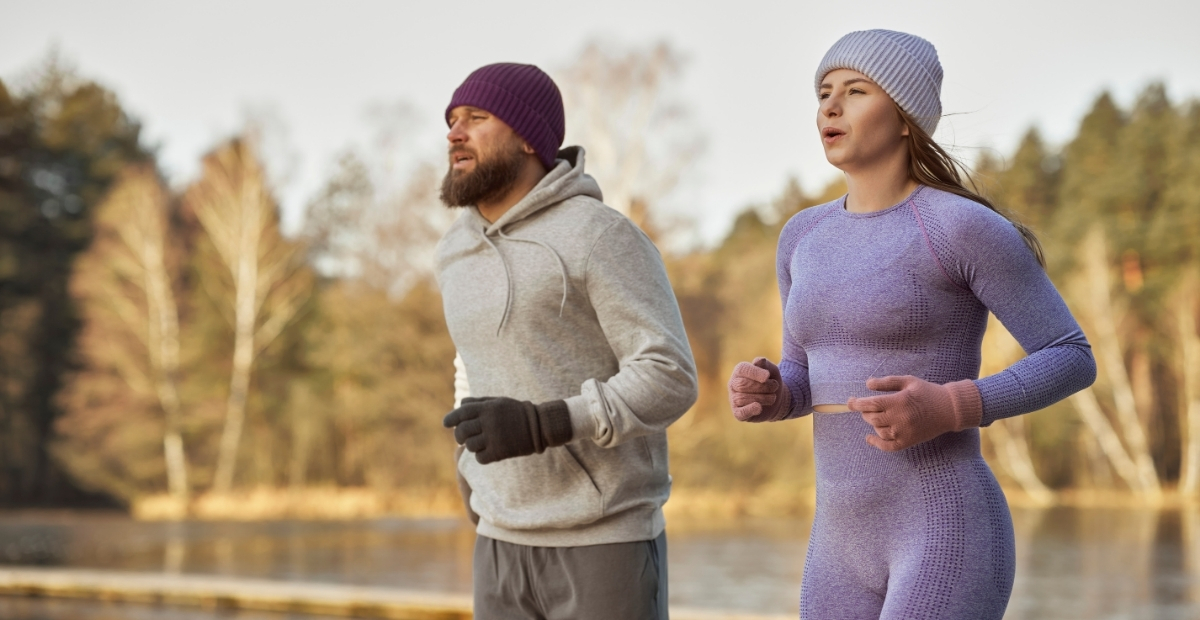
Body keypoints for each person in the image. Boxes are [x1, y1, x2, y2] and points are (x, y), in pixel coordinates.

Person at [726, 30, 1096, 619]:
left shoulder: (960, 227)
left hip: (945, 528)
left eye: (856, 90)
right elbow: (804, 374)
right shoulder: (801, 236)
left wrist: (952, 406)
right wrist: (775, 394)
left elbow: (1071, 355)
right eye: (823, 92)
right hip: (837, 545)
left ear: (904, 117)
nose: (830, 105)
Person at [436, 62, 698, 620]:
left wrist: (544, 423)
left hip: (604, 539)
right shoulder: (453, 252)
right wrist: (469, 471)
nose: (455, 132)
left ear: (529, 137)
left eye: (476, 118)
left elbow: (669, 375)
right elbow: (471, 366)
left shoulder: (599, 235)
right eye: (452, 120)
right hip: (499, 539)